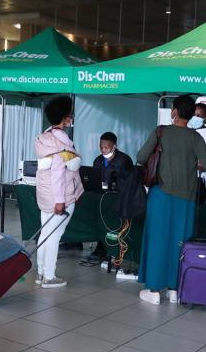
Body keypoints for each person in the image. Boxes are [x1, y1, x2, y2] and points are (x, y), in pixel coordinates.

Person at [136, 95, 206, 305]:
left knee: (158, 240)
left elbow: (140, 158)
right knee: (180, 242)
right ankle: (174, 289)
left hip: (161, 195)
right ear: (192, 114)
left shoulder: (161, 132)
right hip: (186, 198)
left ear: (173, 111)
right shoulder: (196, 137)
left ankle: (154, 290)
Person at [34, 96, 84, 289]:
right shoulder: (62, 142)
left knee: (44, 233)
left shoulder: (45, 137)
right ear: (65, 118)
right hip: (60, 196)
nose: (72, 117)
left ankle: (40, 272)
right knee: (54, 235)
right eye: (70, 114)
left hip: (45, 194)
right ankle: (49, 276)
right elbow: (58, 173)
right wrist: (60, 200)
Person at [90, 131, 133, 261]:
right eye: (101, 147)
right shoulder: (98, 161)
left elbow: (128, 183)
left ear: (114, 146)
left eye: (106, 147)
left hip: (117, 198)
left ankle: (109, 248)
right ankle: (99, 246)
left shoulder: (124, 160)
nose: (103, 150)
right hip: (101, 196)